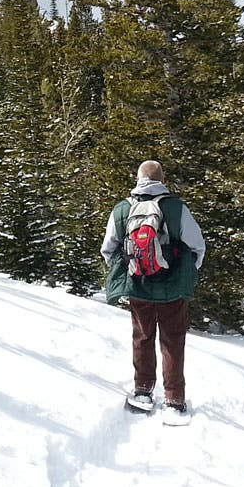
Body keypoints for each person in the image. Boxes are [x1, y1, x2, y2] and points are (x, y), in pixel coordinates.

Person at [100, 159, 206, 415]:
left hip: (139, 284)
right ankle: (174, 398)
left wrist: (131, 267)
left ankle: (143, 390)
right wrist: (186, 272)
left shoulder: (123, 209)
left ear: (138, 179)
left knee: (142, 336)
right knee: (172, 340)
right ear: (162, 180)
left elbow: (108, 249)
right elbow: (197, 246)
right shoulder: (177, 208)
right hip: (173, 288)